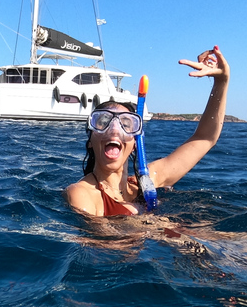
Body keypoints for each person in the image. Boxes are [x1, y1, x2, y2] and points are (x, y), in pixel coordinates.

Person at [63, 46, 230, 217]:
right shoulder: (82, 194)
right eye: (103, 122)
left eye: (126, 124)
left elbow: (205, 138)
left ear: (135, 143)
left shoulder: (146, 181)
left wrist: (221, 81)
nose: (114, 130)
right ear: (90, 140)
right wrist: (157, 227)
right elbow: (107, 239)